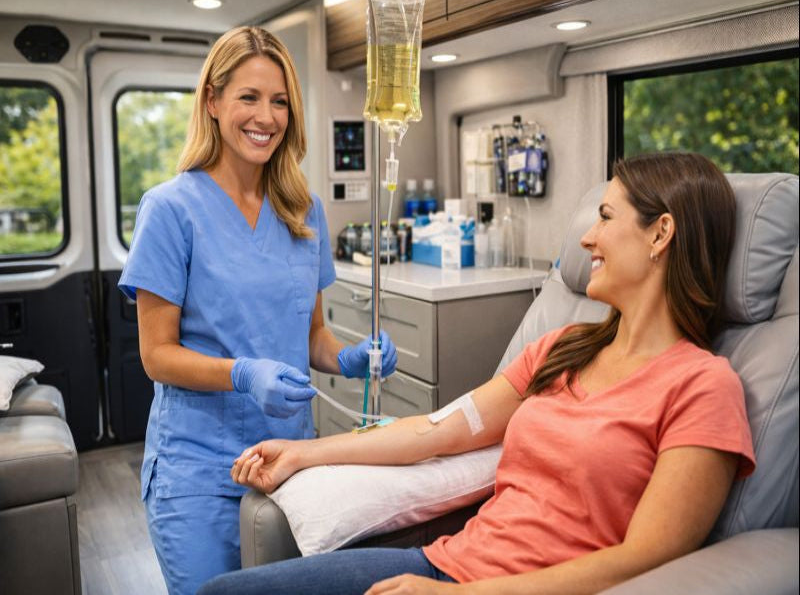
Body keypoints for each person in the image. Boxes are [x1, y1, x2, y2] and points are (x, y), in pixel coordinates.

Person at [198, 152, 756, 595]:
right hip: (451, 562)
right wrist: (303, 453)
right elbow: (437, 430)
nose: (587, 240)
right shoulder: (562, 349)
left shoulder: (702, 387)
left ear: (661, 234)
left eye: (606, 219)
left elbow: (648, 560)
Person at [118, 26, 397, 595]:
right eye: (248, 97)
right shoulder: (171, 210)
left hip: (290, 463)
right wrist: (242, 374)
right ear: (214, 102)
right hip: (199, 471)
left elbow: (312, 334)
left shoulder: (304, 209)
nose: (265, 117)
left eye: (279, 102)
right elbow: (157, 355)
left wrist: (349, 357)